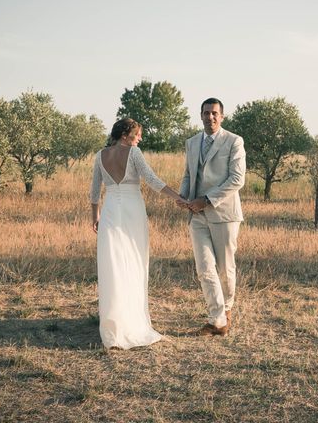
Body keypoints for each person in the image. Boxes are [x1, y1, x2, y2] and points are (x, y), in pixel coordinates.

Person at [90, 118, 187, 349]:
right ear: (126, 135)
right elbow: (152, 180)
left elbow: (94, 191)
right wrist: (178, 198)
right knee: (134, 263)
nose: (140, 139)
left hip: (111, 211)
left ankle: (112, 325)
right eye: (138, 134)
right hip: (132, 212)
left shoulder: (99, 156)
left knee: (112, 266)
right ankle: (131, 323)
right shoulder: (134, 153)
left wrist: (95, 216)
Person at [177, 98, 246, 336]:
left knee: (225, 268)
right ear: (201, 115)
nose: (210, 117)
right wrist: (184, 196)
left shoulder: (234, 141)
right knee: (204, 268)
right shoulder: (192, 142)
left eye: (215, 113)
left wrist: (206, 200)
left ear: (222, 116)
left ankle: (226, 310)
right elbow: (188, 174)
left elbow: (237, 179)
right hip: (196, 215)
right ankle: (217, 320)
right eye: (206, 113)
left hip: (224, 214)